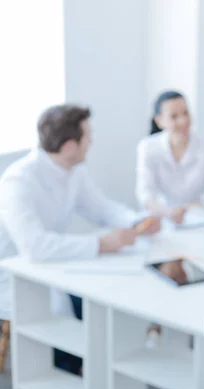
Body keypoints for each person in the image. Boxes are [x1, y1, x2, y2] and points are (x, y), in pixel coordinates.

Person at [0, 104, 161, 374]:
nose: (91, 143)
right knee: (67, 315)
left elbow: (102, 209)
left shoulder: (74, 170)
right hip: (12, 273)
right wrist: (102, 244)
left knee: (108, 298)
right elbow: (34, 247)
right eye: (88, 137)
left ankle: (105, 369)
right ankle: (72, 371)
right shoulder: (18, 180)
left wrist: (136, 222)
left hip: (52, 265)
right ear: (69, 145)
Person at [136, 90, 204, 225]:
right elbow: (145, 194)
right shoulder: (147, 147)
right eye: (174, 116)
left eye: (186, 113)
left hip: (198, 220)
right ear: (159, 121)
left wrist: (186, 209)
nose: (183, 121)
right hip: (161, 220)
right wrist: (167, 212)